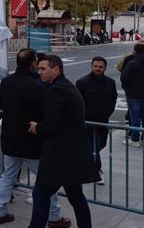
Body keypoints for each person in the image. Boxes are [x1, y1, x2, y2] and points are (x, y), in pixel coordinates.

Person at [0, 49, 70, 227]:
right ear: (33, 63)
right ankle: (55, 216)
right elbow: (46, 111)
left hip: (10, 138)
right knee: (46, 179)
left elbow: (2, 105)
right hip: (31, 140)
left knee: (8, 176)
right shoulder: (37, 86)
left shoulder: (6, 82)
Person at [27, 55, 97, 228]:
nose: (39, 72)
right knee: (76, 196)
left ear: (56, 69)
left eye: (43, 69)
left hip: (60, 156)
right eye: (39, 68)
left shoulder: (56, 90)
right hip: (73, 153)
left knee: (41, 194)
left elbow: (53, 124)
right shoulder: (65, 87)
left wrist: (37, 128)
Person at [76, 56, 117, 185]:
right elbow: (77, 102)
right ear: (91, 66)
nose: (97, 69)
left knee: (100, 144)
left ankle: (87, 163)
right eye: (95, 66)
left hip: (103, 120)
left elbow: (113, 99)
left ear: (105, 68)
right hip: (87, 121)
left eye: (100, 67)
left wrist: (107, 113)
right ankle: (97, 170)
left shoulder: (110, 82)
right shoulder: (82, 82)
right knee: (93, 145)